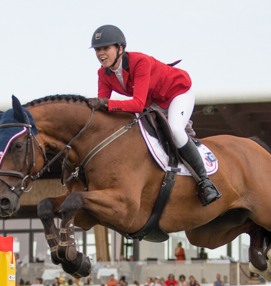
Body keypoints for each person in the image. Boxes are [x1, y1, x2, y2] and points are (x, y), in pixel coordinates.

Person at [88, 24, 220, 205]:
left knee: (175, 130)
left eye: (105, 48)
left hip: (177, 93)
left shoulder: (140, 62)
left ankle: (205, 183)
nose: (101, 53)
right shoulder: (103, 73)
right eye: (97, 49)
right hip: (153, 102)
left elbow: (136, 104)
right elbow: (102, 105)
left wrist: (105, 104)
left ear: (120, 48)